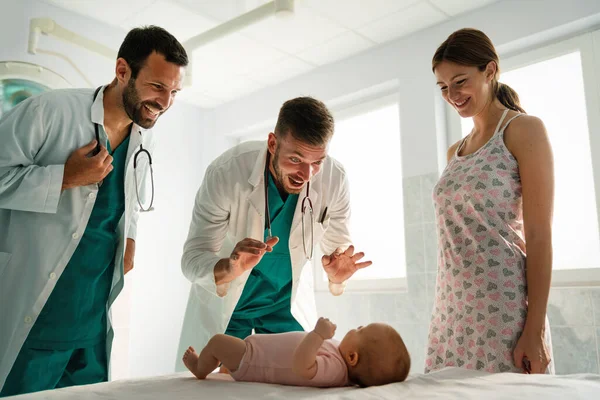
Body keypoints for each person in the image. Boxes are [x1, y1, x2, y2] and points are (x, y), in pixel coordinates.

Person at [0, 26, 188, 396]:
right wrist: (63, 178)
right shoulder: (49, 111)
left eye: (174, 92)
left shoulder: (142, 136)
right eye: (157, 87)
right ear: (122, 71)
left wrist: (130, 236)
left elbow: (128, 201)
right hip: (36, 315)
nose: (165, 102)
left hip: (89, 325)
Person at [180, 97, 371, 354]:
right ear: (272, 143)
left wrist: (336, 277)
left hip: (284, 311)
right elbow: (191, 260)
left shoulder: (334, 179)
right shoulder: (226, 172)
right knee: (217, 389)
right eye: (295, 159)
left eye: (317, 162)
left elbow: (338, 249)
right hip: (228, 309)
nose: (306, 175)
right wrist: (229, 267)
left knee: (290, 387)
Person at [425, 28, 554, 374]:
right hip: (451, 309)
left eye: (460, 81)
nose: (451, 95)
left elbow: (539, 236)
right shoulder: (456, 152)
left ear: (491, 71)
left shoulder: (524, 130)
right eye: (443, 87)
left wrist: (535, 328)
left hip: (502, 308)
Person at [182, 317, 410, 387]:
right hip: (255, 354)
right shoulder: (339, 359)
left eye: (361, 329)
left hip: (252, 360)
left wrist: (318, 334)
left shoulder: (336, 370)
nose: (356, 326)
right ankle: (221, 368)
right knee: (224, 348)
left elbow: (302, 366)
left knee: (217, 342)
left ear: (353, 358)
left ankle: (199, 368)